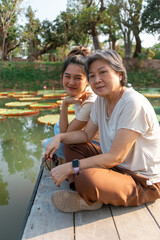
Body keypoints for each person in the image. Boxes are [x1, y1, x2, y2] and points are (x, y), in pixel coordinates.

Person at [45, 49, 160, 213]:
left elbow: (115, 157)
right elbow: (86, 135)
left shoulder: (133, 103)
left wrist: (71, 166)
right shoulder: (101, 101)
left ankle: (88, 193)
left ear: (119, 74)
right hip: (115, 168)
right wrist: (60, 137)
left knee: (86, 177)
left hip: (142, 180)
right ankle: (82, 188)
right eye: (91, 76)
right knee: (73, 144)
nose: (96, 80)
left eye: (103, 72)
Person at [42, 46, 97, 162]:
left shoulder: (91, 101)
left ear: (88, 80)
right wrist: (65, 103)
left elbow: (65, 133)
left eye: (78, 78)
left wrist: (65, 104)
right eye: (67, 76)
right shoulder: (79, 92)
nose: (71, 82)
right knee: (57, 126)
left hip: (92, 147)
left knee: (47, 143)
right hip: (81, 136)